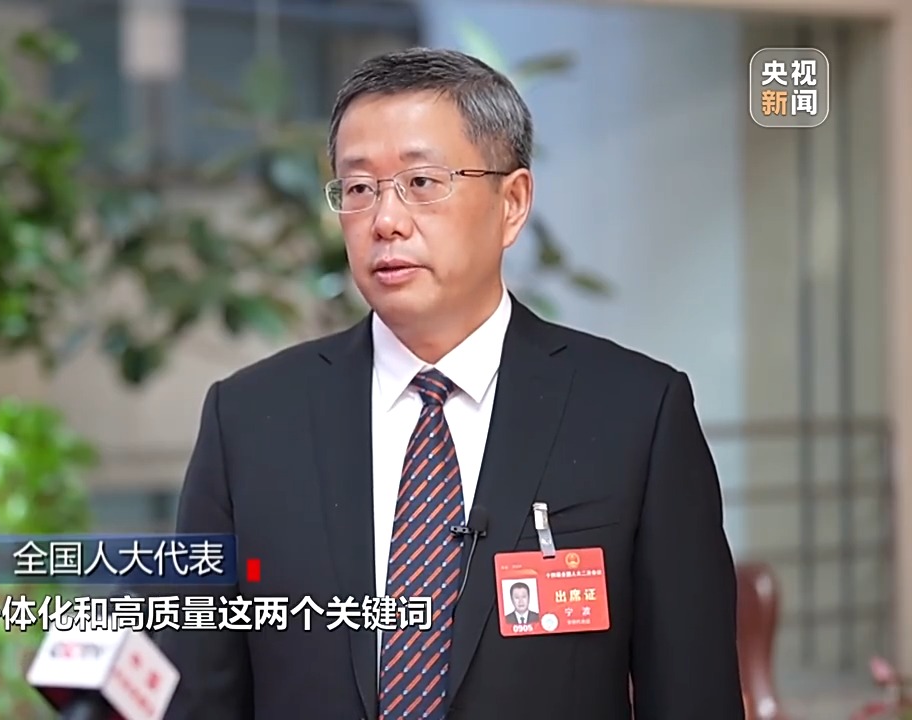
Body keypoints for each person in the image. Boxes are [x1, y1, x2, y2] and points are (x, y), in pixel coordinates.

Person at [157, 47, 742, 720]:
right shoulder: (249, 420)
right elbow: (198, 693)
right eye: (358, 189)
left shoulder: (636, 413)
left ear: (512, 202)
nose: (386, 220)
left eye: (421, 182)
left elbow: (693, 694)